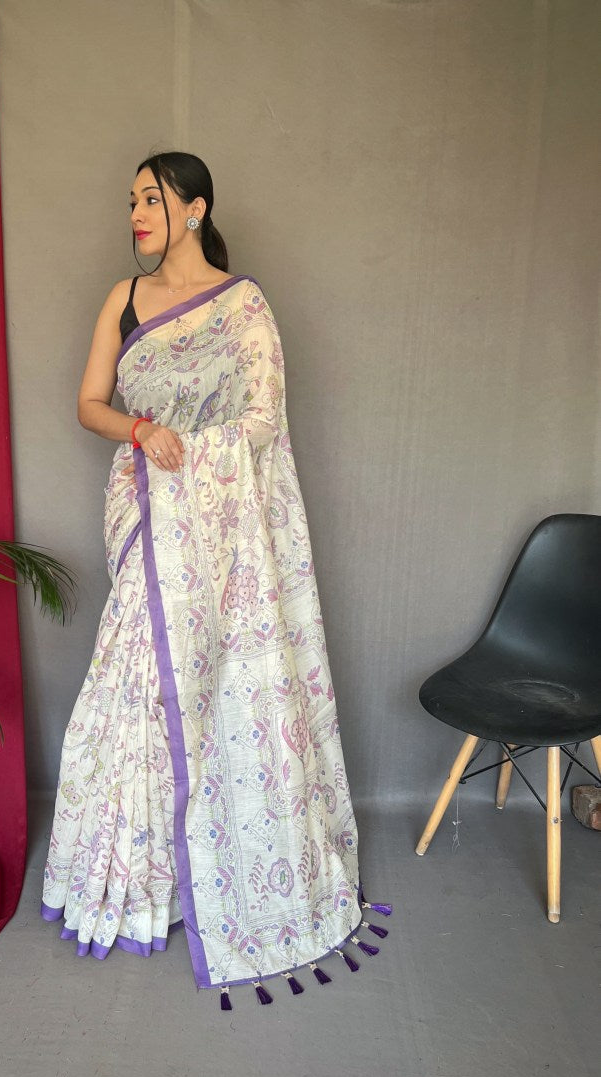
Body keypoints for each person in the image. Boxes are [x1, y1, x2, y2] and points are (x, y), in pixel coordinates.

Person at [42, 152, 388, 1008]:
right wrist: (140, 430)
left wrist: (197, 452)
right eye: (130, 200)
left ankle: (218, 871)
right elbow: (88, 403)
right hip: (145, 510)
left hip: (221, 525)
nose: (135, 213)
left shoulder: (242, 306)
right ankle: (136, 883)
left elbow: (262, 419)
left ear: (194, 209)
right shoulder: (123, 300)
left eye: (150, 199)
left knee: (216, 683)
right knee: (136, 684)